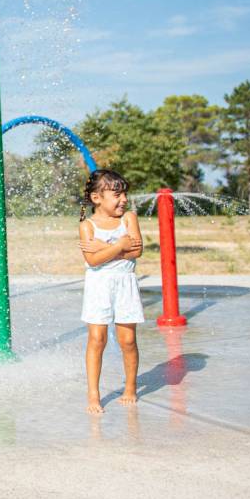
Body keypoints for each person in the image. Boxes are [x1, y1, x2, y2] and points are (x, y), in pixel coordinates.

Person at [78, 168, 144, 414]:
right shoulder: (87, 226)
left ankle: (130, 386)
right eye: (117, 195)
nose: (123, 199)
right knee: (97, 339)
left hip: (125, 283)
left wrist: (105, 248)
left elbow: (137, 250)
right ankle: (94, 395)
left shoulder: (129, 219)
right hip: (99, 285)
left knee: (128, 340)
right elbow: (93, 261)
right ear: (97, 198)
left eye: (124, 194)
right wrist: (119, 244)